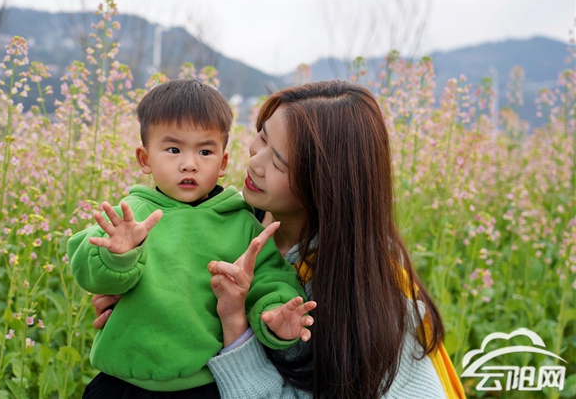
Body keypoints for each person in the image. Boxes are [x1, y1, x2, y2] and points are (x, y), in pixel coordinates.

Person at [92, 80, 466, 399]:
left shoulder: (362, 290)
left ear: (324, 186)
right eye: (262, 137)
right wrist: (144, 302)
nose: (255, 162)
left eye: (279, 162)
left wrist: (235, 325)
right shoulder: (234, 219)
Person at [69, 79, 314, 398]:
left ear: (223, 162)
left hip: (203, 386)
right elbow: (89, 272)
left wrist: (276, 313)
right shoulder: (130, 216)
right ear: (144, 159)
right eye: (173, 150)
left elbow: (270, 280)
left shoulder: (242, 224)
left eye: (205, 151)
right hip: (119, 385)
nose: (189, 164)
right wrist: (118, 256)